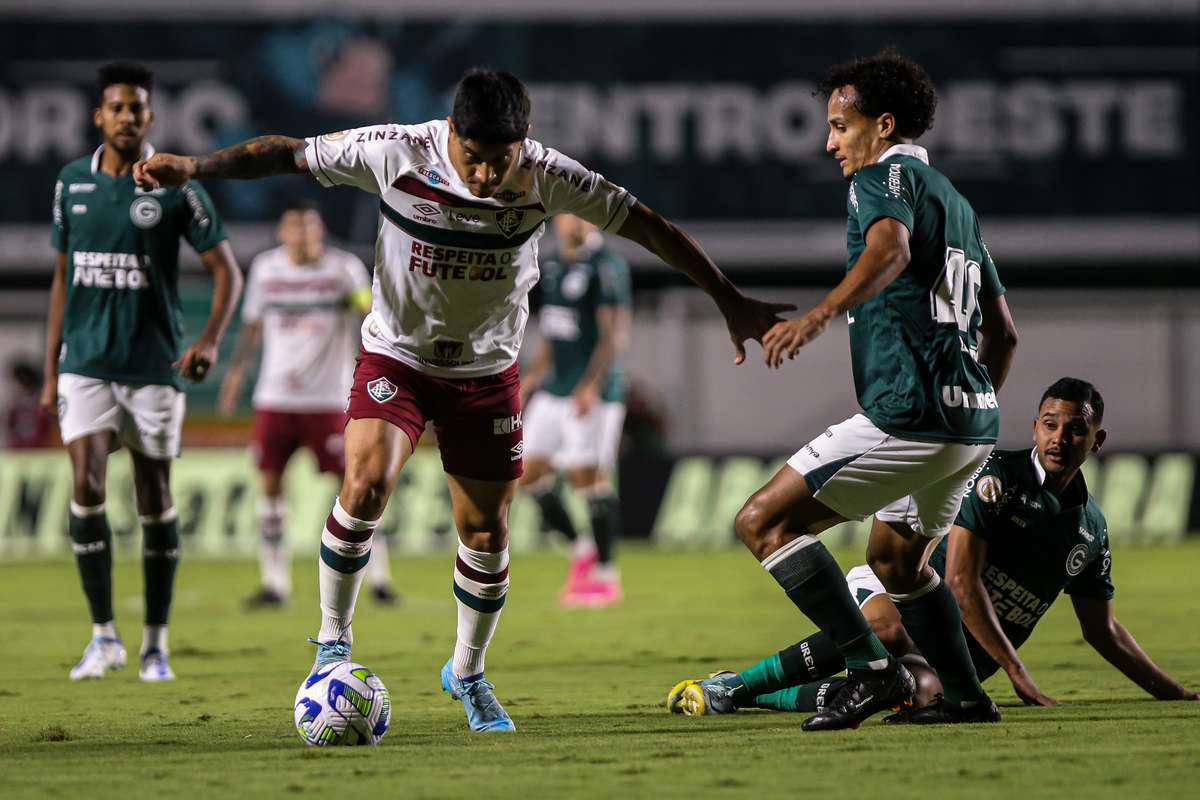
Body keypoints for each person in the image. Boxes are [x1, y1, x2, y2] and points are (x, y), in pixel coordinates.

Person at [134, 68, 788, 731]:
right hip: (398, 356)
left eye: (498, 161)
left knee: (485, 531)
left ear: (523, 142)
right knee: (363, 487)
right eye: (473, 159)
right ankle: (333, 642)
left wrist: (728, 299)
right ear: (450, 132)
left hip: (486, 372)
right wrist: (194, 165)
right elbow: (285, 152)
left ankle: (468, 674)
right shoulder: (395, 150)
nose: (483, 176)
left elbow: (651, 227)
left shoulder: (548, 174)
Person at [730, 49, 1020, 731]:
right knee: (894, 559)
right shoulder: (957, 203)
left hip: (908, 416)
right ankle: (966, 698)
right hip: (971, 425)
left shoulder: (879, 178)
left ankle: (869, 671)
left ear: (883, 124)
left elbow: (887, 251)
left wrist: (819, 315)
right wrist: (969, 407)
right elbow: (1003, 333)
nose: (830, 142)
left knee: (762, 522)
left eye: (840, 124)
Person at [669, 379, 1200, 717]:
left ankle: (751, 696)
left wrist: (1171, 692)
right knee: (887, 631)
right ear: (1034, 428)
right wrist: (1016, 671)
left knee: (914, 691)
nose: (1060, 438)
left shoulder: (1091, 531)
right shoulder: (998, 478)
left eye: (1076, 429)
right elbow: (962, 581)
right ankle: (736, 688)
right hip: (904, 592)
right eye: (1049, 424)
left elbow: (1100, 629)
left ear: (1097, 440)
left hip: (962, 652)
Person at [41, 62, 242, 682]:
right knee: (88, 482)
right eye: (117, 108)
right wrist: (52, 371)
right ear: (98, 116)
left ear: (151, 117)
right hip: (87, 364)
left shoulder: (177, 186)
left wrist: (209, 340)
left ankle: (155, 643)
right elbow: (62, 277)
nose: (128, 117)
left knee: (154, 496)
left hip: (154, 365)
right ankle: (104, 636)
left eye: (138, 108)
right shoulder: (71, 182)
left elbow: (227, 273)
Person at [218, 199, 397, 609]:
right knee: (270, 486)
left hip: (329, 398)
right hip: (275, 396)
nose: (304, 236)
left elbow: (370, 313)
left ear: (320, 231)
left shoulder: (342, 270)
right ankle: (274, 583)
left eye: (311, 228)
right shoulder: (266, 269)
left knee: (357, 487)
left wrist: (359, 304)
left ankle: (380, 579)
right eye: (296, 228)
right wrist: (235, 373)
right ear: (283, 233)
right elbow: (252, 325)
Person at [519, 213, 631, 607]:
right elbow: (555, 330)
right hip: (554, 388)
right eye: (567, 212)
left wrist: (591, 385)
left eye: (582, 213)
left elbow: (613, 333)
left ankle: (606, 574)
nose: (574, 221)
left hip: (593, 392)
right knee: (527, 473)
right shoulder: (550, 265)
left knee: (587, 476)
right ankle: (581, 549)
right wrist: (531, 380)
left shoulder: (606, 265)